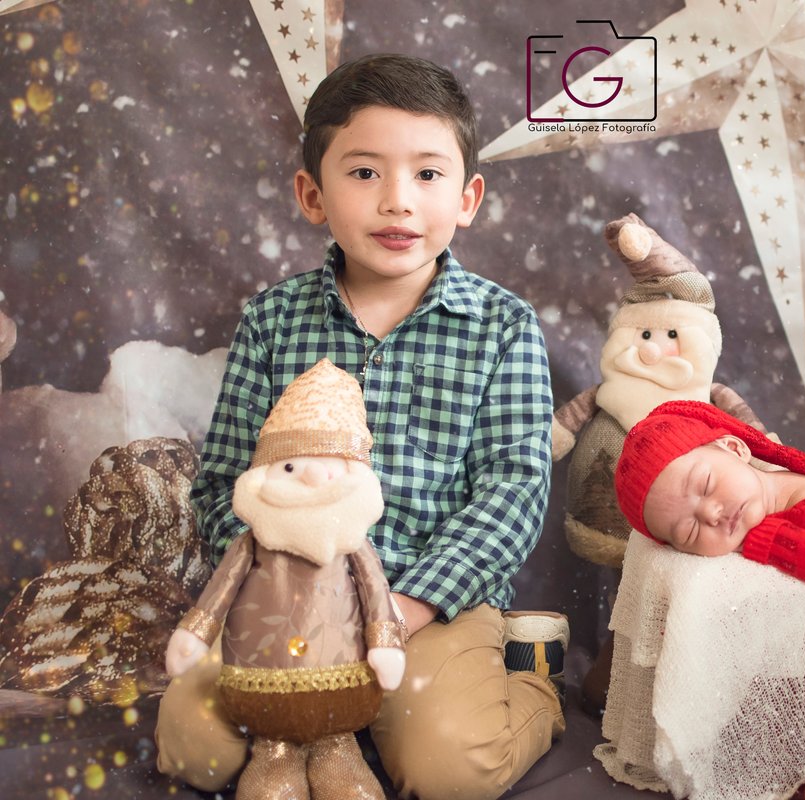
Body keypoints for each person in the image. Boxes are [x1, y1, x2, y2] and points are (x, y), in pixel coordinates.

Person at [156, 54, 566, 800]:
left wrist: (401, 611)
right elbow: (221, 484)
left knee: (447, 770)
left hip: (430, 601)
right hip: (283, 596)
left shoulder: (502, 326)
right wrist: (280, 584)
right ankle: (326, 734)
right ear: (313, 195)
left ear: (468, 198)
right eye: (366, 172)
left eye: (428, 174)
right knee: (197, 747)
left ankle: (533, 686)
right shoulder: (272, 321)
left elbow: (512, 492)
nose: (397, 201)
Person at [614, 401, 805, 587]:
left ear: (735, 448)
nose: (710, 514)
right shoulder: (764, 497)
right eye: (689, 531)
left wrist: (751, 541)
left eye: (706, 485)